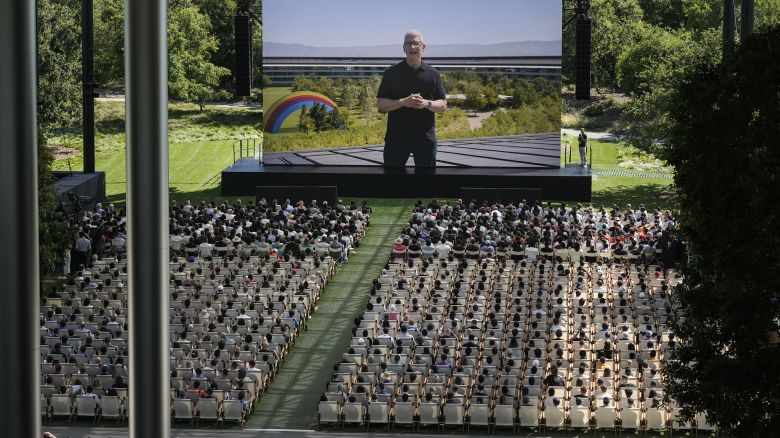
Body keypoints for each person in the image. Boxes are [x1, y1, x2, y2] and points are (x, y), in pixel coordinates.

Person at [377, 30, 447, 168]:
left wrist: (427, 103)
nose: (412, 47)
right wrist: (404, 102)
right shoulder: (391, 73)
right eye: (408, 43)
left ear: (423, 47)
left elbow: (443, 105)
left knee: (426, 185)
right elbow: (380, 104)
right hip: (396, 139)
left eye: (416, 43)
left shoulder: (433, 74)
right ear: (404, 48)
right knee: (393, 184)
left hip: (425, 140)